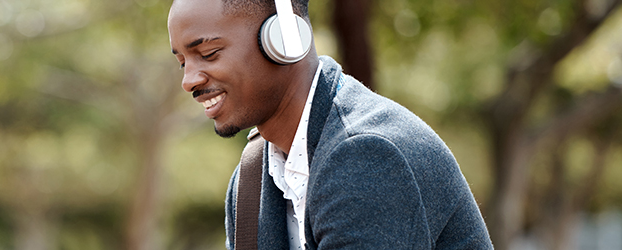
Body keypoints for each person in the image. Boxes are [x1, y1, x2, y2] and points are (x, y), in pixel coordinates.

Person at [167, 0, 493, 249]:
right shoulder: (251, 179)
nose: (188, 80)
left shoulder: (367, 154)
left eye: (208, 53)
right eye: (183, 61)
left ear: (284, 40)